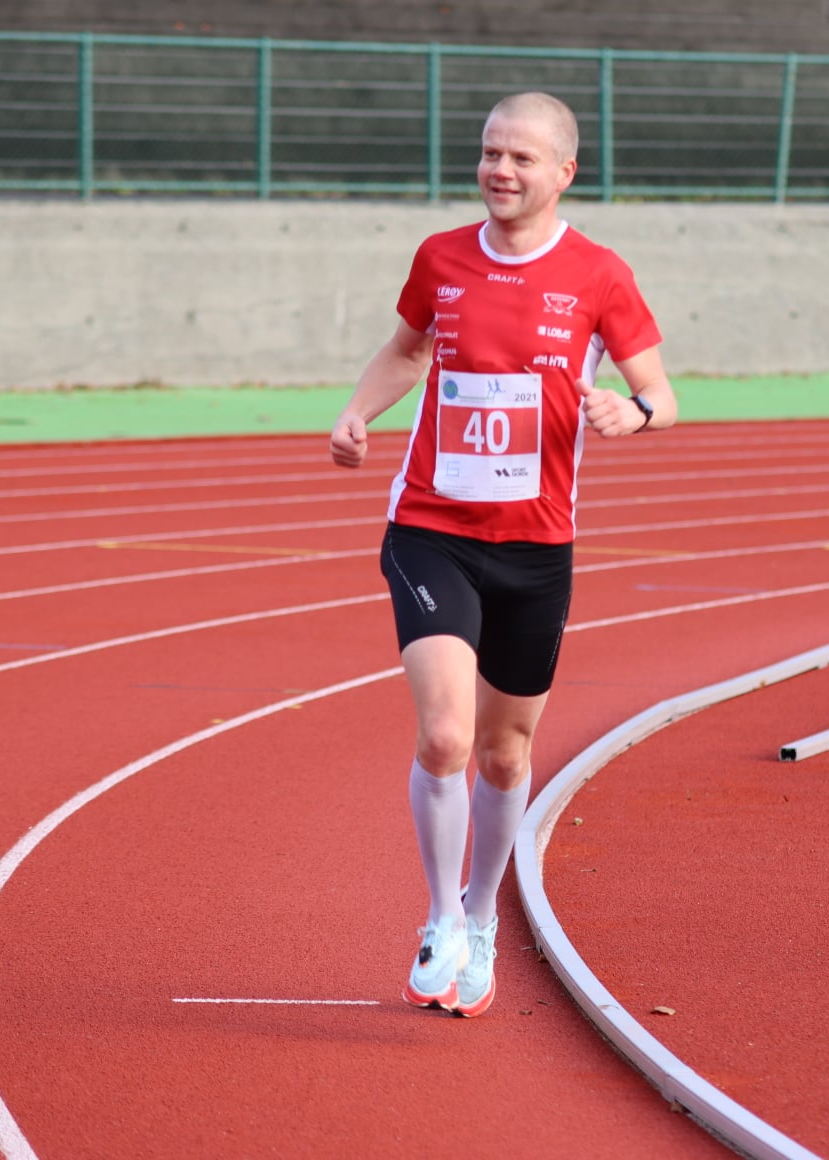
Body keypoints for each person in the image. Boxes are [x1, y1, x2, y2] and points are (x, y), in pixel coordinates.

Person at [329, 91, 677, 1018]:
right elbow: (408, 351)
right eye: (490, 153)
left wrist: (631, 411)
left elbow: (661, 393)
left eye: (522, 158)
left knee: (504, 751)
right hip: (432, 529)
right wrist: (358, 412)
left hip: (537, 546)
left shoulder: (598, 273)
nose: (500, 170)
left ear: (565, 172)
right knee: (446, 734)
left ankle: (483, 914)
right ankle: (441, 916)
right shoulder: (441, 258)